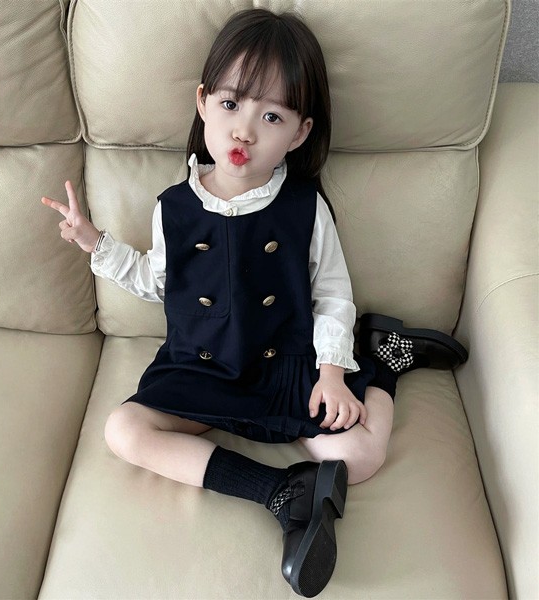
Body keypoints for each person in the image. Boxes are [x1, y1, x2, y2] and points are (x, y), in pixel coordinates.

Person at [41, 9, 467, 597]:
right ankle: (279, 492)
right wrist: (97, 245)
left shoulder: (304, 208)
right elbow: (160, 283)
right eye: (230, 104)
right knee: (124, 430)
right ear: (202, 103)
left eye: (271, 116)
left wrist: (333, 374)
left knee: (359, 457)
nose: (244, 131)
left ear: (299, 133)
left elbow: (332, 292)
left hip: (284, 363)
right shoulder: (173, 207)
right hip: (201, 365)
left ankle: (384, 357)